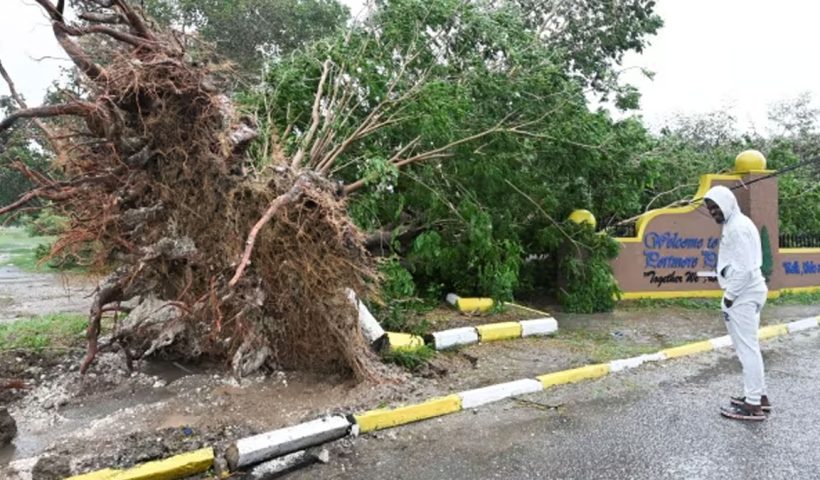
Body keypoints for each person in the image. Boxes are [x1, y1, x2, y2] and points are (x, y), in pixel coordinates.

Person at [703, 185, 770, 421]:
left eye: (716, 207)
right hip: (749, 292)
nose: (713, 211)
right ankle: (758, 396)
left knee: (746, 349)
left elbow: (744, 269)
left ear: (728, 203)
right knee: (749, 346)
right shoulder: (736, 224)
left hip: (743, 295)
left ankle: (753, 405)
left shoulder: (738, 228)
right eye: (710, 208)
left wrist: (729, 298)